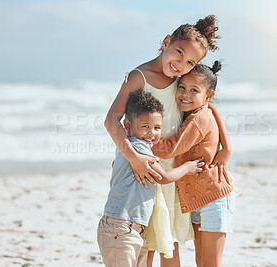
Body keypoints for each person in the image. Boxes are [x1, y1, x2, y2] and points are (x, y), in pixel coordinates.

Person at [104, 15, 232, 266]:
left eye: (190, 62)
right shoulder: (139, 76)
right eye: (179, 53)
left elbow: (208, 105)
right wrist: (134, 158)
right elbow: (112, 120)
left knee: (167, 239)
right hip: (145, 167)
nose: (181, 64)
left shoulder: (180, 81)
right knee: (146, 240)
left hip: (173, 172)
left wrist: (226, 147)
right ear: (166, 42)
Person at [97, 91, 205, 267]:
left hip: (134, 228)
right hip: (121, 226)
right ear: (128, 126)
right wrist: (188, 167)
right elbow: (163, 177)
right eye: (145, 126)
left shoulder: (128, 148)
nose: (152, 133)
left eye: (157, 128)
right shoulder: (138, 146)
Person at [152, 61, 238, 267]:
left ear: (207, 95)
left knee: (210, 263)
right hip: (199, 199)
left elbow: (171, 148)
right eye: (182, 87)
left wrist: (144, 138)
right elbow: (213, 108)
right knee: (202, 262)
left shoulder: (197, 119)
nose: (185, 94)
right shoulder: (200, 111)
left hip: (214, 197)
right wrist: (227, 147)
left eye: (194, 90)